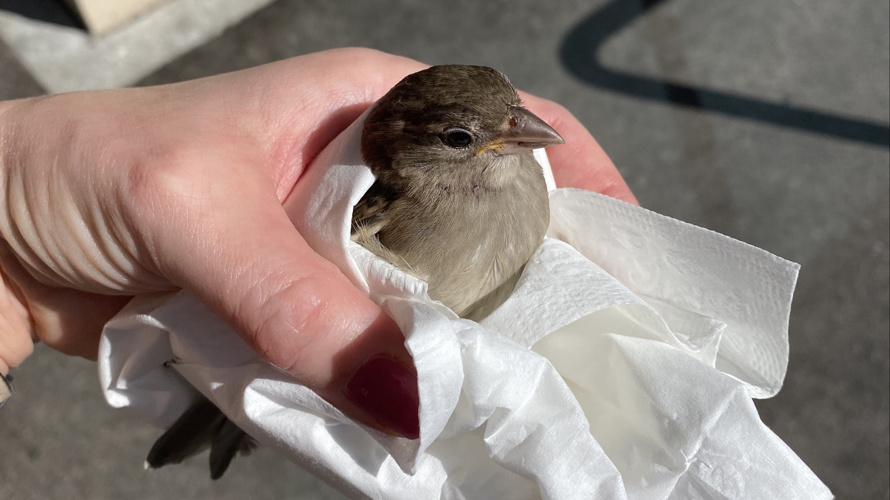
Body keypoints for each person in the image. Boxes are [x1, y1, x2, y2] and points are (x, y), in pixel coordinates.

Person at [0, 48, 636, 434]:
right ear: (407, 157)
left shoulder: (525, 176)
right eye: (463, 139)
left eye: (512, 113)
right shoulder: (387, 204)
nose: (524, 131)